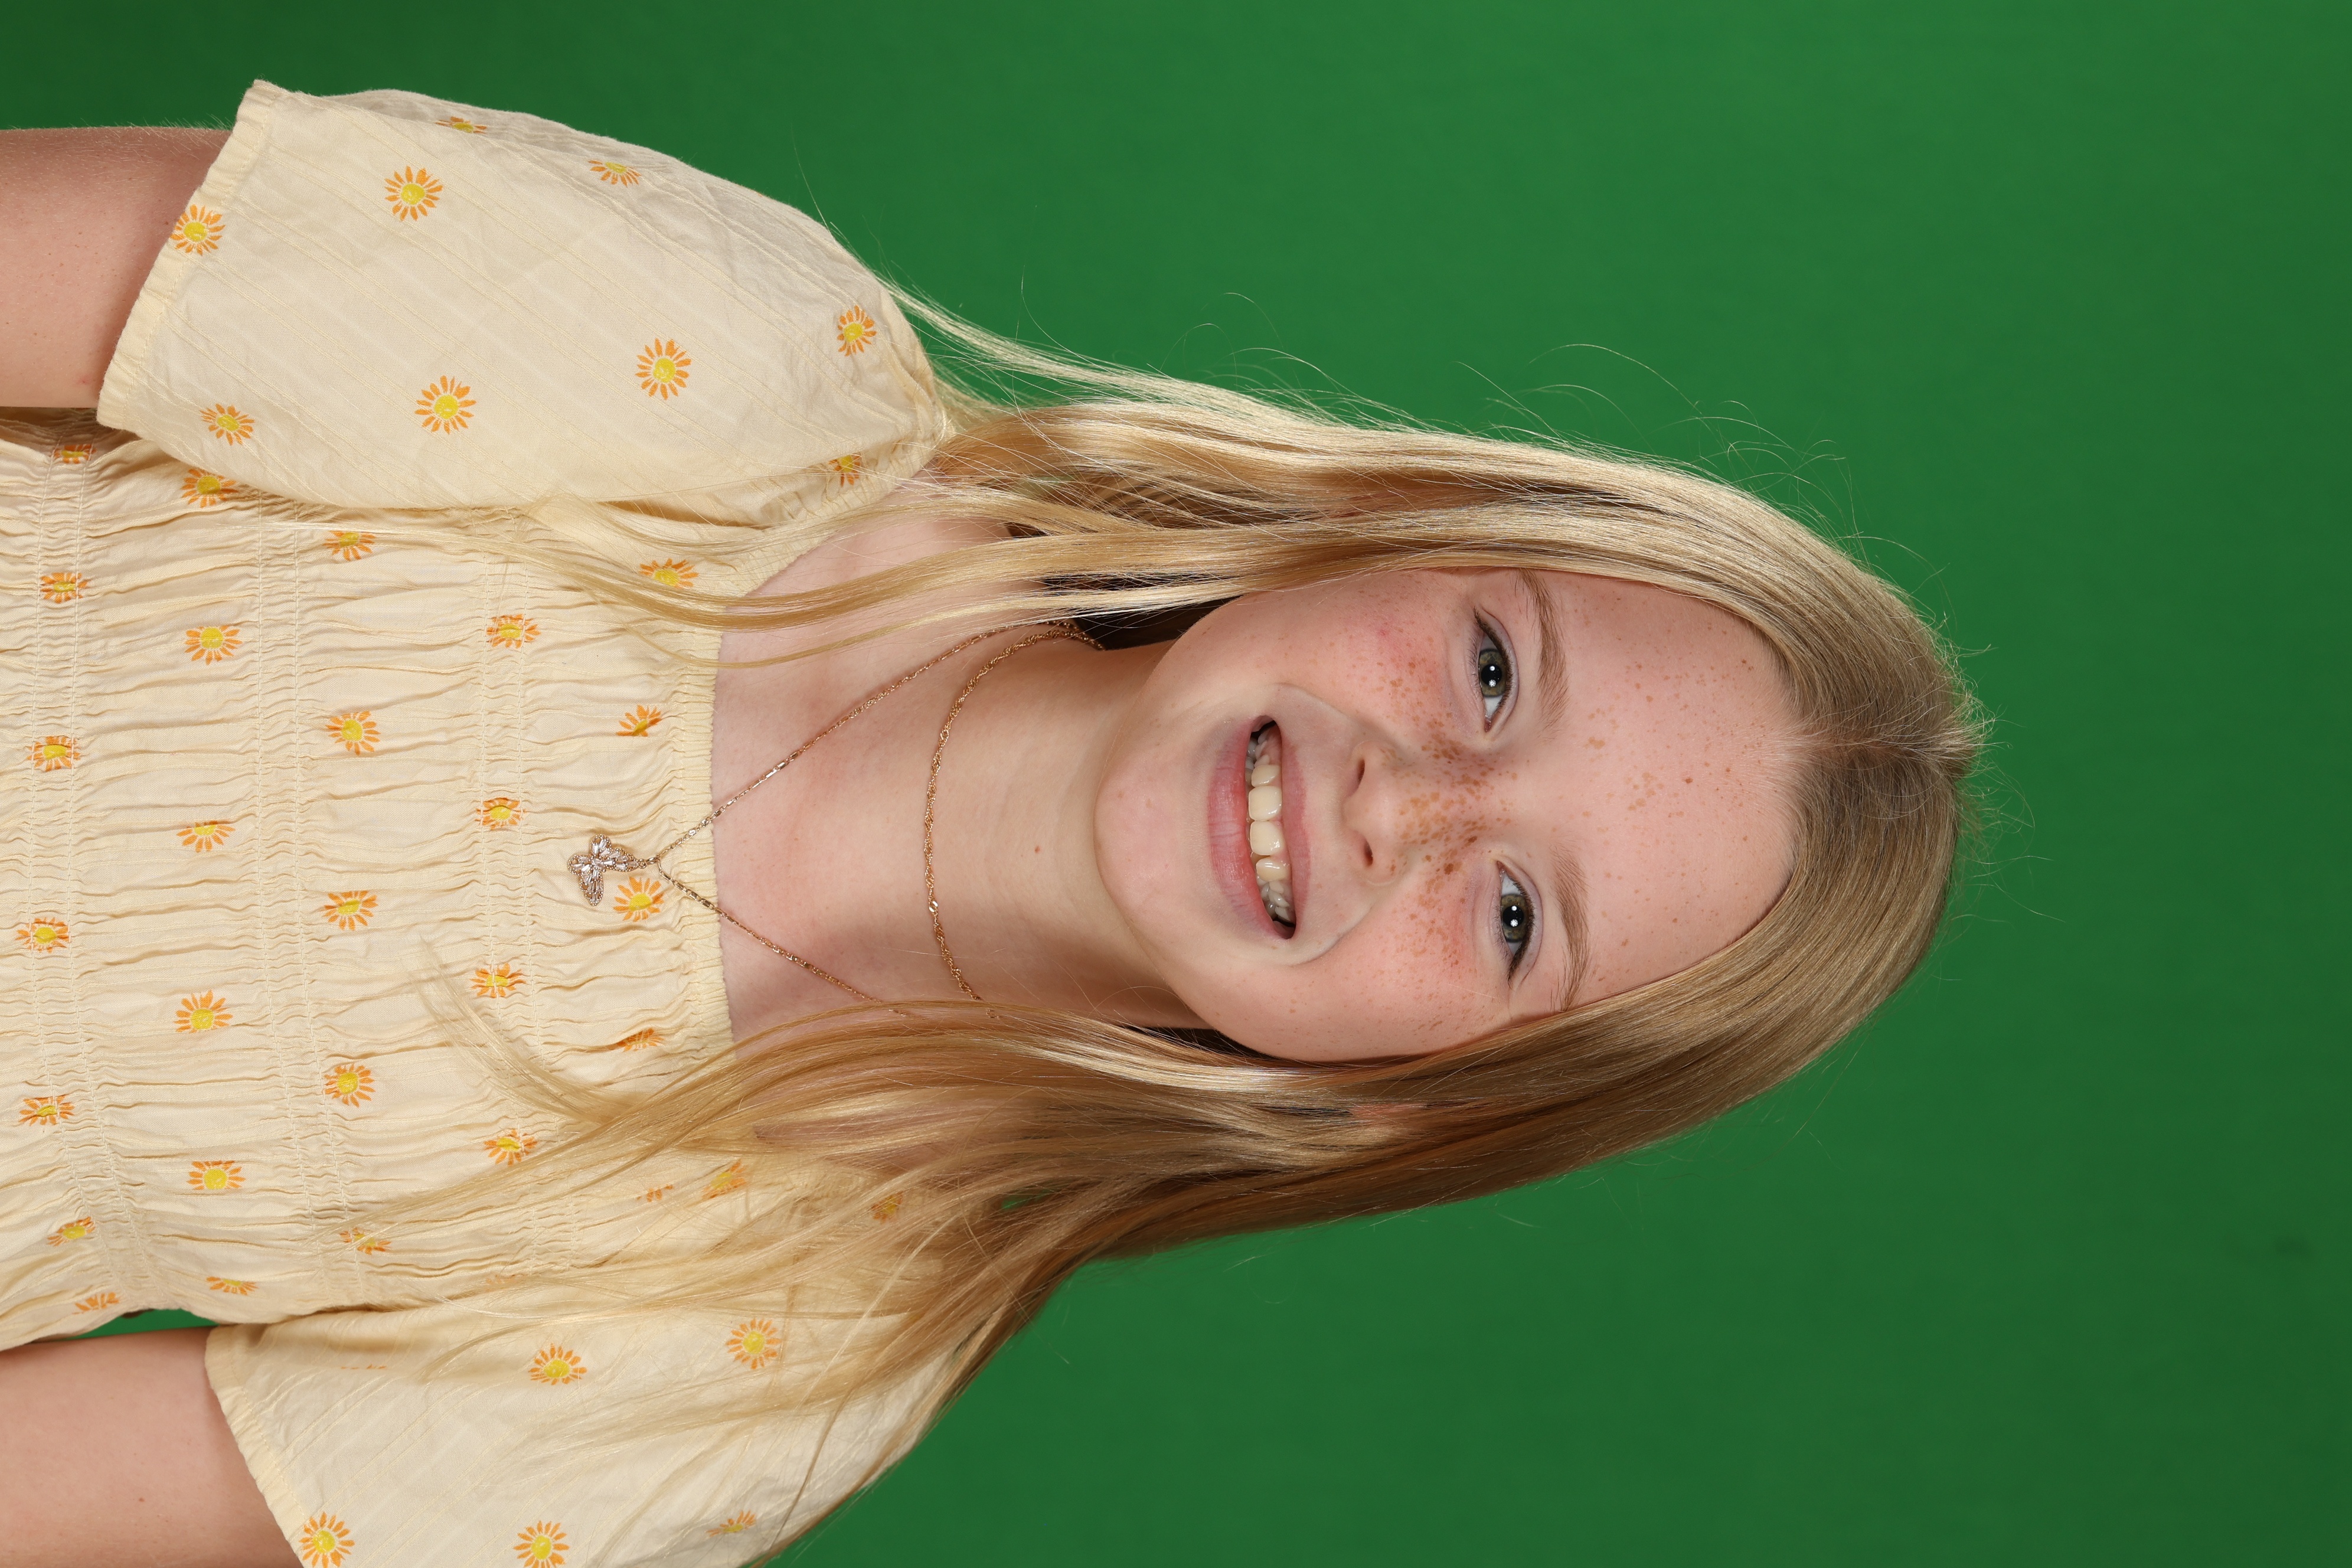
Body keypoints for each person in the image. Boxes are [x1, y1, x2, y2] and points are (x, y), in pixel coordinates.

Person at [0, 83, 1979, 1568]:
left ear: (1436, 1093)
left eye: (1521, 918)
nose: (1412, 804)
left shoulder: (770, 1365)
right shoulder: (718, 370)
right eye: (1488, 670)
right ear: (1399, 531)